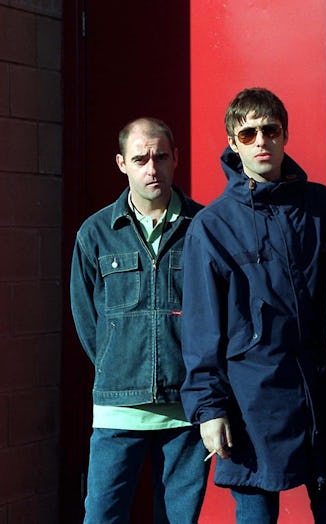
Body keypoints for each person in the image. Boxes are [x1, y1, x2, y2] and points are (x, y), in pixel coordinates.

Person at [179, 87, 326, 523]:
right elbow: (202, 326)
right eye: (248, 133)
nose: (261, 141)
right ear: (233, 142)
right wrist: (209, 409)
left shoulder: (325, 207)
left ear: (284, 135)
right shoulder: (213, 226)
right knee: (256, 514)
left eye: (270, 130)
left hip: (323, 395)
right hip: (252, 399)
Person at [69, 117, 209, 523]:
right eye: (140, 158)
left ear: (175, 158)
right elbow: (86, 318)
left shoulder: (202, 228)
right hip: (117, 408)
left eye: (161, 157)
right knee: (102, 516)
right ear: (121, 163)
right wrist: (118, 364)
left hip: (185, 408)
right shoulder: (95, 233)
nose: (152, 168)